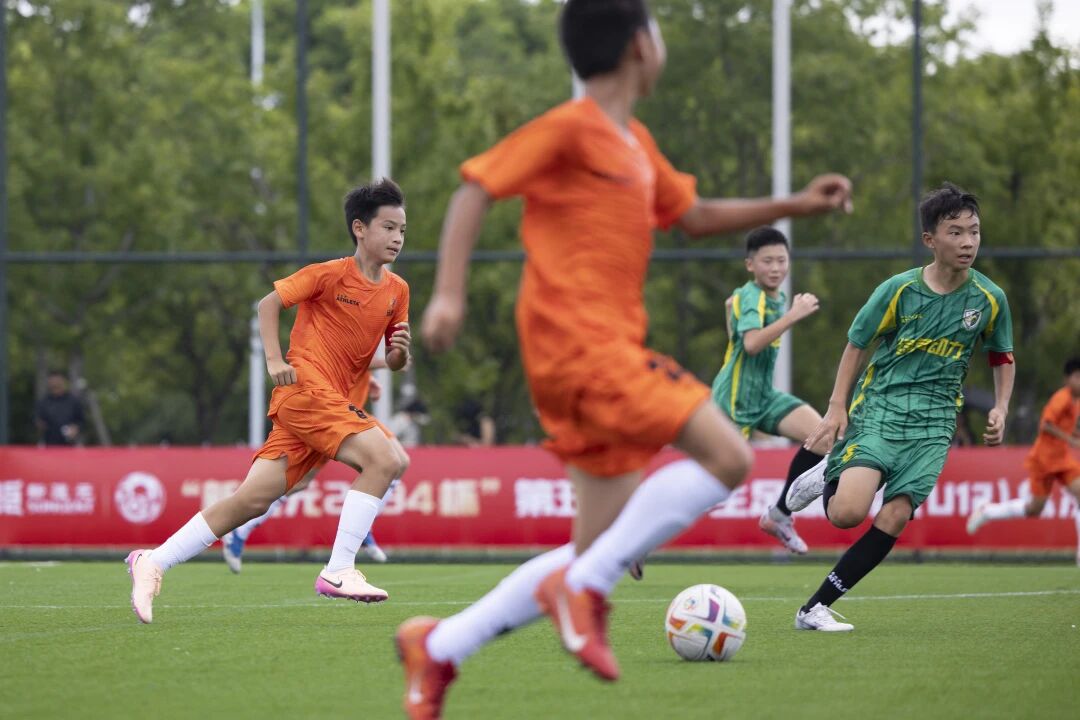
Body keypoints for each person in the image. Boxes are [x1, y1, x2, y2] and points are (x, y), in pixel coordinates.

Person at [396, 2, 853, 716]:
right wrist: (448, 296)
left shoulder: (635, 143)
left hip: (593, 360)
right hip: (582, 348)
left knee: (594, 547)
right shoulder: (571, 127)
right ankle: (583, 588)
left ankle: (441, 647)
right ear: (642, 45)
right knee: (728, 456)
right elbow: (475, 188)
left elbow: (694, 216)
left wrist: (798, 204)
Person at [125, 178, 412, 623]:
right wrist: (275, 359)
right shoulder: (329, 274)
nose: (397, 238)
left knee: (251, 501)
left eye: (402, 230)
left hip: (323, 403)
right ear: (359, 228)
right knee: (386, 459)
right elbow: (268, 304)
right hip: (305, 391)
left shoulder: (398, 290)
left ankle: (153, 560)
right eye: (388, 227)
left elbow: (392, 361)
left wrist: (398, 356)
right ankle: (339, 570)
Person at [784, 183, 1014, 632]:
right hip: (882, 409)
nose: (968, 242)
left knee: (895, 515)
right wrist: (836, 407)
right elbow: (857, 344)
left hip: (935, 425)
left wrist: (1002, 407)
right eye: (955, 232)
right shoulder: (899, 290)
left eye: (974, 232)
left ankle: (814, 608)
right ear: (931, 240)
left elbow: (1002, 357)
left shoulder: (990, 299)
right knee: (847, 515)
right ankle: (831, 471)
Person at [711, 226, 830, 554]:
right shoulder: (753, 295)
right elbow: (751, 344)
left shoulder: (771, 297)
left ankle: (779, 514)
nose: (776, 268)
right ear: (750, 265)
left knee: (823, 437)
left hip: (763, 396)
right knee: (709, 491)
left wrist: (733, 313)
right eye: (767, 261)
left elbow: (737, 327)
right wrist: (793, 316)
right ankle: (637, 541)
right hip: (734, 401)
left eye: (781, 260)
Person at [220, 368, 401, 573]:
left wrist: (368, 374)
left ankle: (363, 528)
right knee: (296, 481)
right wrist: (387, 360)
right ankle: (237, 528)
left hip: (348, 408)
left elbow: (359, 355)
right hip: (331, 408)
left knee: (397, 461)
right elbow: (361, 354)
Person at [967, 357, 1080, 563]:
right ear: (1067, 379)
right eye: (1078, 377)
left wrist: (1073, 436)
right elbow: (1046, 424)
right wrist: (1071, 439)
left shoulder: (1076, 401)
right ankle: (988, 511)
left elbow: (1064, 427)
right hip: (1044, 459)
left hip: (1062, 459)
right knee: (1034, 509)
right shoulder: (1062, 398)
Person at [35, 371, 85, 446]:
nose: (55, 385)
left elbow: (81, 421)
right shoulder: (43, 402)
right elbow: (38, 419)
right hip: (48, 443)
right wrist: (40, 425)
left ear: (63, 382)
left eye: (57, 382)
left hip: (71, 444)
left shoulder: (73, 401)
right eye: (53, 383)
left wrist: (75, 428)